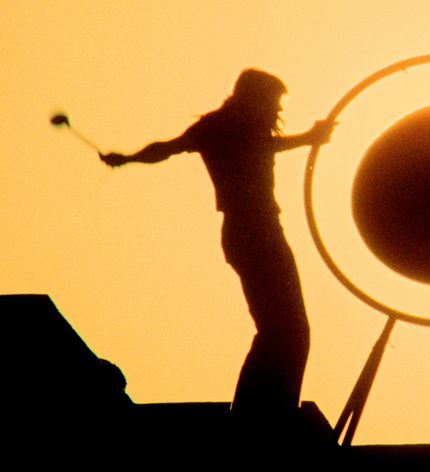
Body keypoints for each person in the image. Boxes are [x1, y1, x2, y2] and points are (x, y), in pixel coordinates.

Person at [100, 69, 334, 428]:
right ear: (255, 99)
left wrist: (128, 159)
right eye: (273, 103)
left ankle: (262, 411)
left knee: (282, 328)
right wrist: (308, 138)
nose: (276, 112)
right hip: (255, 233)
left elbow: (167, 148)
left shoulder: (220, 127)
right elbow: (251, 145)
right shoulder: (229, 129)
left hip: (254, 232)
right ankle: (264, 416)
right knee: (287, 329)